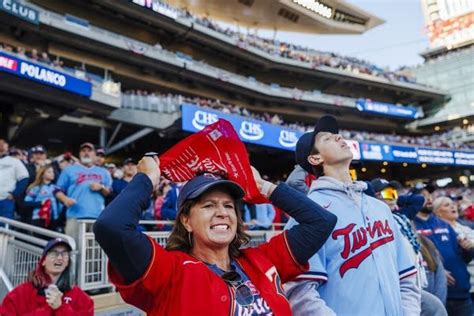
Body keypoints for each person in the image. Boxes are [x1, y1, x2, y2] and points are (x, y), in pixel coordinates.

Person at [94, 155, 337, 315]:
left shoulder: (260, 260)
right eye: (209, 206)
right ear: (186, 221)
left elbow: (321, 222)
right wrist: (146, 178)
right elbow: (112, 226)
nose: (222, 213)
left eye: (229, 206)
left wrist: (262, 186)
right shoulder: (168, 272)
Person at [284, 115, 420, 316]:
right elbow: (300, 293)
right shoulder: (308, 212)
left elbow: (407, 277)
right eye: (327, 138)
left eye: (337, 135)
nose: (339, 138)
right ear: (315, 158)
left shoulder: (379, 208)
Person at [372, 178, 447, 316]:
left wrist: (392, 199)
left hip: (416, 277)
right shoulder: (373, 218)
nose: (393, 197)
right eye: (388, 194)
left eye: (394, 193)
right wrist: (376, 200)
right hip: (396, 281)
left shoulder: (401, 215)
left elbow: (418, 200)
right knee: (435, 308)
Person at [414, 188, 473, 316]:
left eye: (429, 195)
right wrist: (438, 272)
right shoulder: (412, 226)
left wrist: (467, 249)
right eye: (422, 196)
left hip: (462, 293)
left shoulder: (444, 224)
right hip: (438, 295)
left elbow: (464, 257)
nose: (428, 198)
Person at [0, 238, 93, 314]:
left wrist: (61, 308)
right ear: (43, 261)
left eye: (64, 254)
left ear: (68, 262)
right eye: (54, 253)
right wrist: (46, 309)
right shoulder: (20, 293)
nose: (60, 258)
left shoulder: (81, 297)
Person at [55, 142, 112, 241]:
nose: (86, 153)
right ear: (79, 154)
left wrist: (101, 187)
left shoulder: (104, 172)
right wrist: (64, 199)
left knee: (93, 252)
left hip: (97, 217)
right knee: (73, 249)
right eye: (83, 151)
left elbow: (109, 192)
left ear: (94, 154)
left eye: (89, 151)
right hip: (74, 216)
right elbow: (57, 190)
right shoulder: (69, 170)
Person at [433, 196, 474, 300]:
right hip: (465, 283)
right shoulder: (437, 232)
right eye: (447, 205)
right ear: (438, 212)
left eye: (452, 203)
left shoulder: (466, 226)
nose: (452, 206)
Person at [0, 138, 29, 221]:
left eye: (3, 144)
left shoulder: (14, 161)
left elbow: (24, 178)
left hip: (5, 199)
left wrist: (14, 194)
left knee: (4, 229)